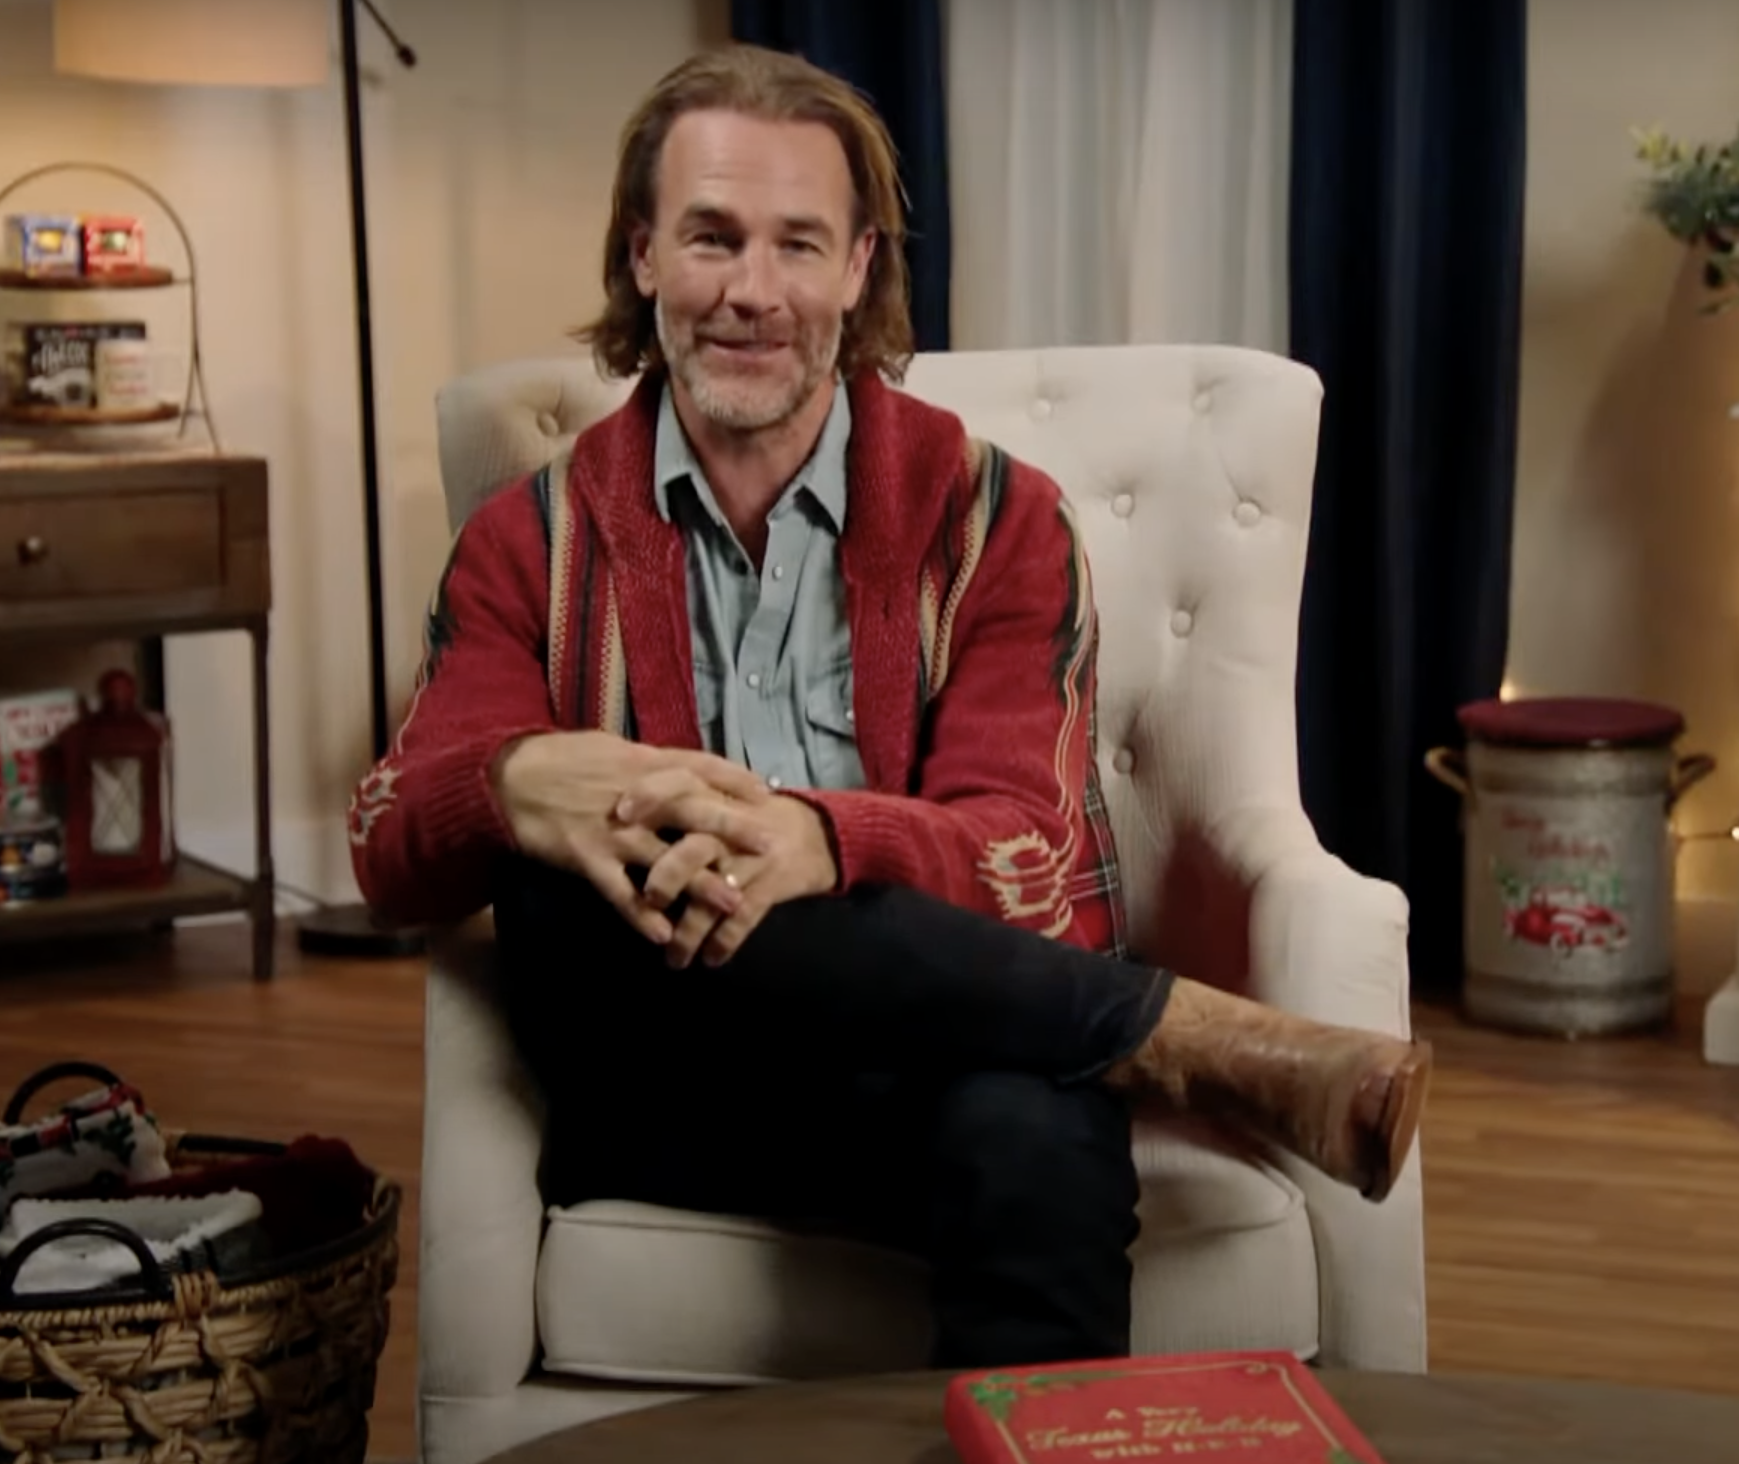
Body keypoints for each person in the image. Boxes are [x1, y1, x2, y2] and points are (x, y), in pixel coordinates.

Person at [349, 43, 1431, 1368]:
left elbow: (1024, 850)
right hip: (668, 1078)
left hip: (939, 1058)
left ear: (859, 267)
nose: (752, 291)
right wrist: (521, 784)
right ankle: (1173, 1034)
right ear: (643, 256)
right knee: (566, 879)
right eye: (710, 237)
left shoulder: (995, 520)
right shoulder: (534, 539)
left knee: (1038, 1129)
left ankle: (1043, 1451)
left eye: (798, 245)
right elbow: (389, 848)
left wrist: (819, 840)